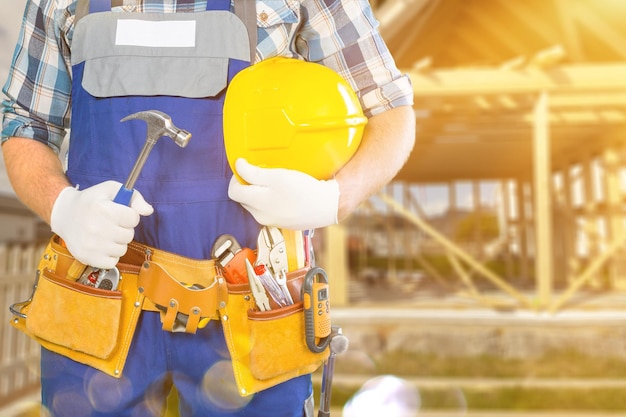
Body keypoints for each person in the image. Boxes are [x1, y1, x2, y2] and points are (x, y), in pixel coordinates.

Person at [1, 0, 415, 416]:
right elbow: (23, 122)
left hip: (250, 303)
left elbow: (390, 111)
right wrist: (63, 207)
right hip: (97, 299)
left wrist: (334, 198)